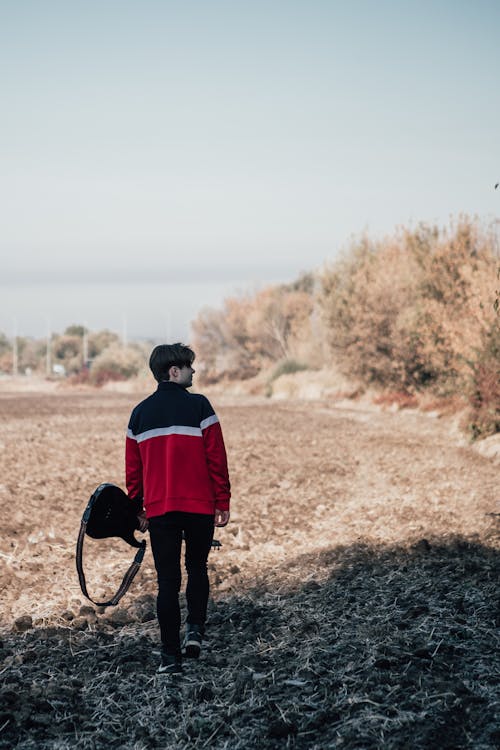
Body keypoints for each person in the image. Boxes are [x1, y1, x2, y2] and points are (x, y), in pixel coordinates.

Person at [125, 343, 231, 675]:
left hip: (159, 511)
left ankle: (170, 658)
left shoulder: (139, 414)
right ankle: (195, 632)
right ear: (174, 371)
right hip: (200, 507)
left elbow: (134, 470)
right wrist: (222, 501)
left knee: (167, 582)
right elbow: (217, 458)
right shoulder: (200, 406)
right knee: (197, 568)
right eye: (189, 367)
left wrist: (136, 509)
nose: (193, 372)